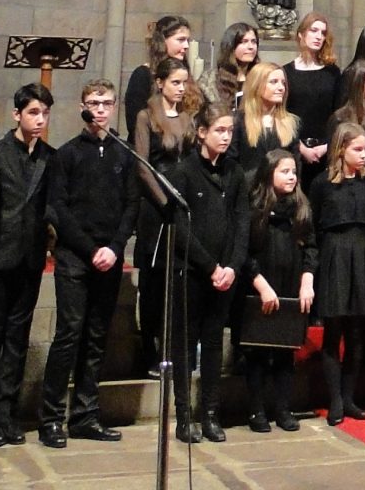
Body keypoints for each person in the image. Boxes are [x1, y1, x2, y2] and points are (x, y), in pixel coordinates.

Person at [39, 80, 137, 448]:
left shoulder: (124, 154)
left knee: (97, 337)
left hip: (109, 257)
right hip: (75, 258)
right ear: (83, 106)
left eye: (106, 103)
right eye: (93, 103)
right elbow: (58, 208)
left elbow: (131, 205)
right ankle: (51, 418)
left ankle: (85, 415)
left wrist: (114, 247)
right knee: (69, 334)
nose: (99, 109)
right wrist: (90, 249)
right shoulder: (67, 154)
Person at [0, 83, 54, 447]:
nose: (40, 120)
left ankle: (8, 412)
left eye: (45, 113)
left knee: (17, 338)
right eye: (33, 112)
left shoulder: (49, 157)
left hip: (31, 258)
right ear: (17, 114)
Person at [171, 101, 244, 443]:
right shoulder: (184, 172)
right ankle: (184, 417)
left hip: (225, 273)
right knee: (185, 345)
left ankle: (211, 414)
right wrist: (211, 266)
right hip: (192, 270)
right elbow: (180, 228)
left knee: (214, 343)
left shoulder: (235, 172)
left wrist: (231, 266)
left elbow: (242, 223)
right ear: (202, 132)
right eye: (219, 130)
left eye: (230, 131)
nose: (226, 137)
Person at [311, 122, 365, 424]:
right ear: (341, 149)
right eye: (357, 149)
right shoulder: (322, 184)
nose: (364, 155)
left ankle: (349, 398)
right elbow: (314, 223)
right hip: (333, 254)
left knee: (356, 335)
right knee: (333, 333)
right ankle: (335, 401)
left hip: (362, 252)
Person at [238, 149, 314, 432]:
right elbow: (244, 250)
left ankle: (283, 408)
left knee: (285, 352)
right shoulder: (255, 207)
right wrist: (260, 284)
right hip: (262, 285)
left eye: (294, 171)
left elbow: (311, 247)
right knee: (257, 353)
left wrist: (307, 280)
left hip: (290, 284)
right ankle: (256, 410)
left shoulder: (300, 207)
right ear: (269, 174)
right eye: (285, 171)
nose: (292, 176)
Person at [131, 56, 196, 374]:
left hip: (182, 202)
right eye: (175, 82)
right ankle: (150, 351)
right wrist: (164, 201)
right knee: (153, 283)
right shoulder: (146, 116)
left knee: (179, 281)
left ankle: (177, 350)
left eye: (184, 82)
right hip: (156, 208)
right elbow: (142, 166)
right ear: (160, 83)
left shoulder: (187, 117)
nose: (181, 88)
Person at [283, 12, 339, 181]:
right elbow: (283, 114)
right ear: (301, 34)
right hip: (294, 149)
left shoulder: (332, 72)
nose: (319, 36)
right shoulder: (286, 72)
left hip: (326, 150)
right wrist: (300, 147)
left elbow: (338, 112)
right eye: (314, 30)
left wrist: (327, 146)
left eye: (323, 33)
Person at [235, 60, 299, 182]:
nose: (281, 88)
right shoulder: (238, 121)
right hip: (248, 188)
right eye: (274, 82)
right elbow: (232, 163)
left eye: (283, 83)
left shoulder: (291, 123)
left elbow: (296, 164)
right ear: (257, 85)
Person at [123, 15, 194, 122]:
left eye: (187, 40)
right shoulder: (143, 75)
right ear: (163, 41)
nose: (186, 45)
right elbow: (135, 121)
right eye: (181, 40)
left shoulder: (186, 74)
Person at [210, 22, 259, 115]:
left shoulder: (259, 76)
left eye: (254, 42)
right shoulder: (212, 80)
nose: (251, 47)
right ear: (231, 46)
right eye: (244, 42)